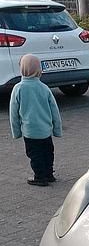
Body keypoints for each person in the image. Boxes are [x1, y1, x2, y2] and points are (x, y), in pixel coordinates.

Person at [9, 54, 62, 186]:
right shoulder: (44, 88)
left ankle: (39, 177)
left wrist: (16, 132)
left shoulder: (18, 88)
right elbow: (54, 111)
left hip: (30, 132)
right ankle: (49, 174)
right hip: (46, 130)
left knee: (35, 155)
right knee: (48, 152)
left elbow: (13, 113)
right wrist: (57, 130)